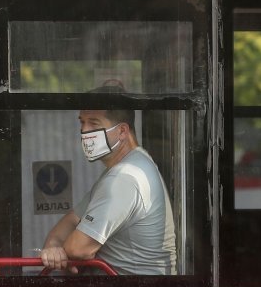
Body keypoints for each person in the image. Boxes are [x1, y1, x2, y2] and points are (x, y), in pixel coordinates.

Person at [40, 108, 177, 275]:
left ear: (122, 131)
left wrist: (60, 251)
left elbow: (79, 249)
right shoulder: (127, 166)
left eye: (94, 123)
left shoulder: (124, 177)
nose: (84, 131)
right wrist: (53, 246)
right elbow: (70, 220)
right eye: (82, 122)